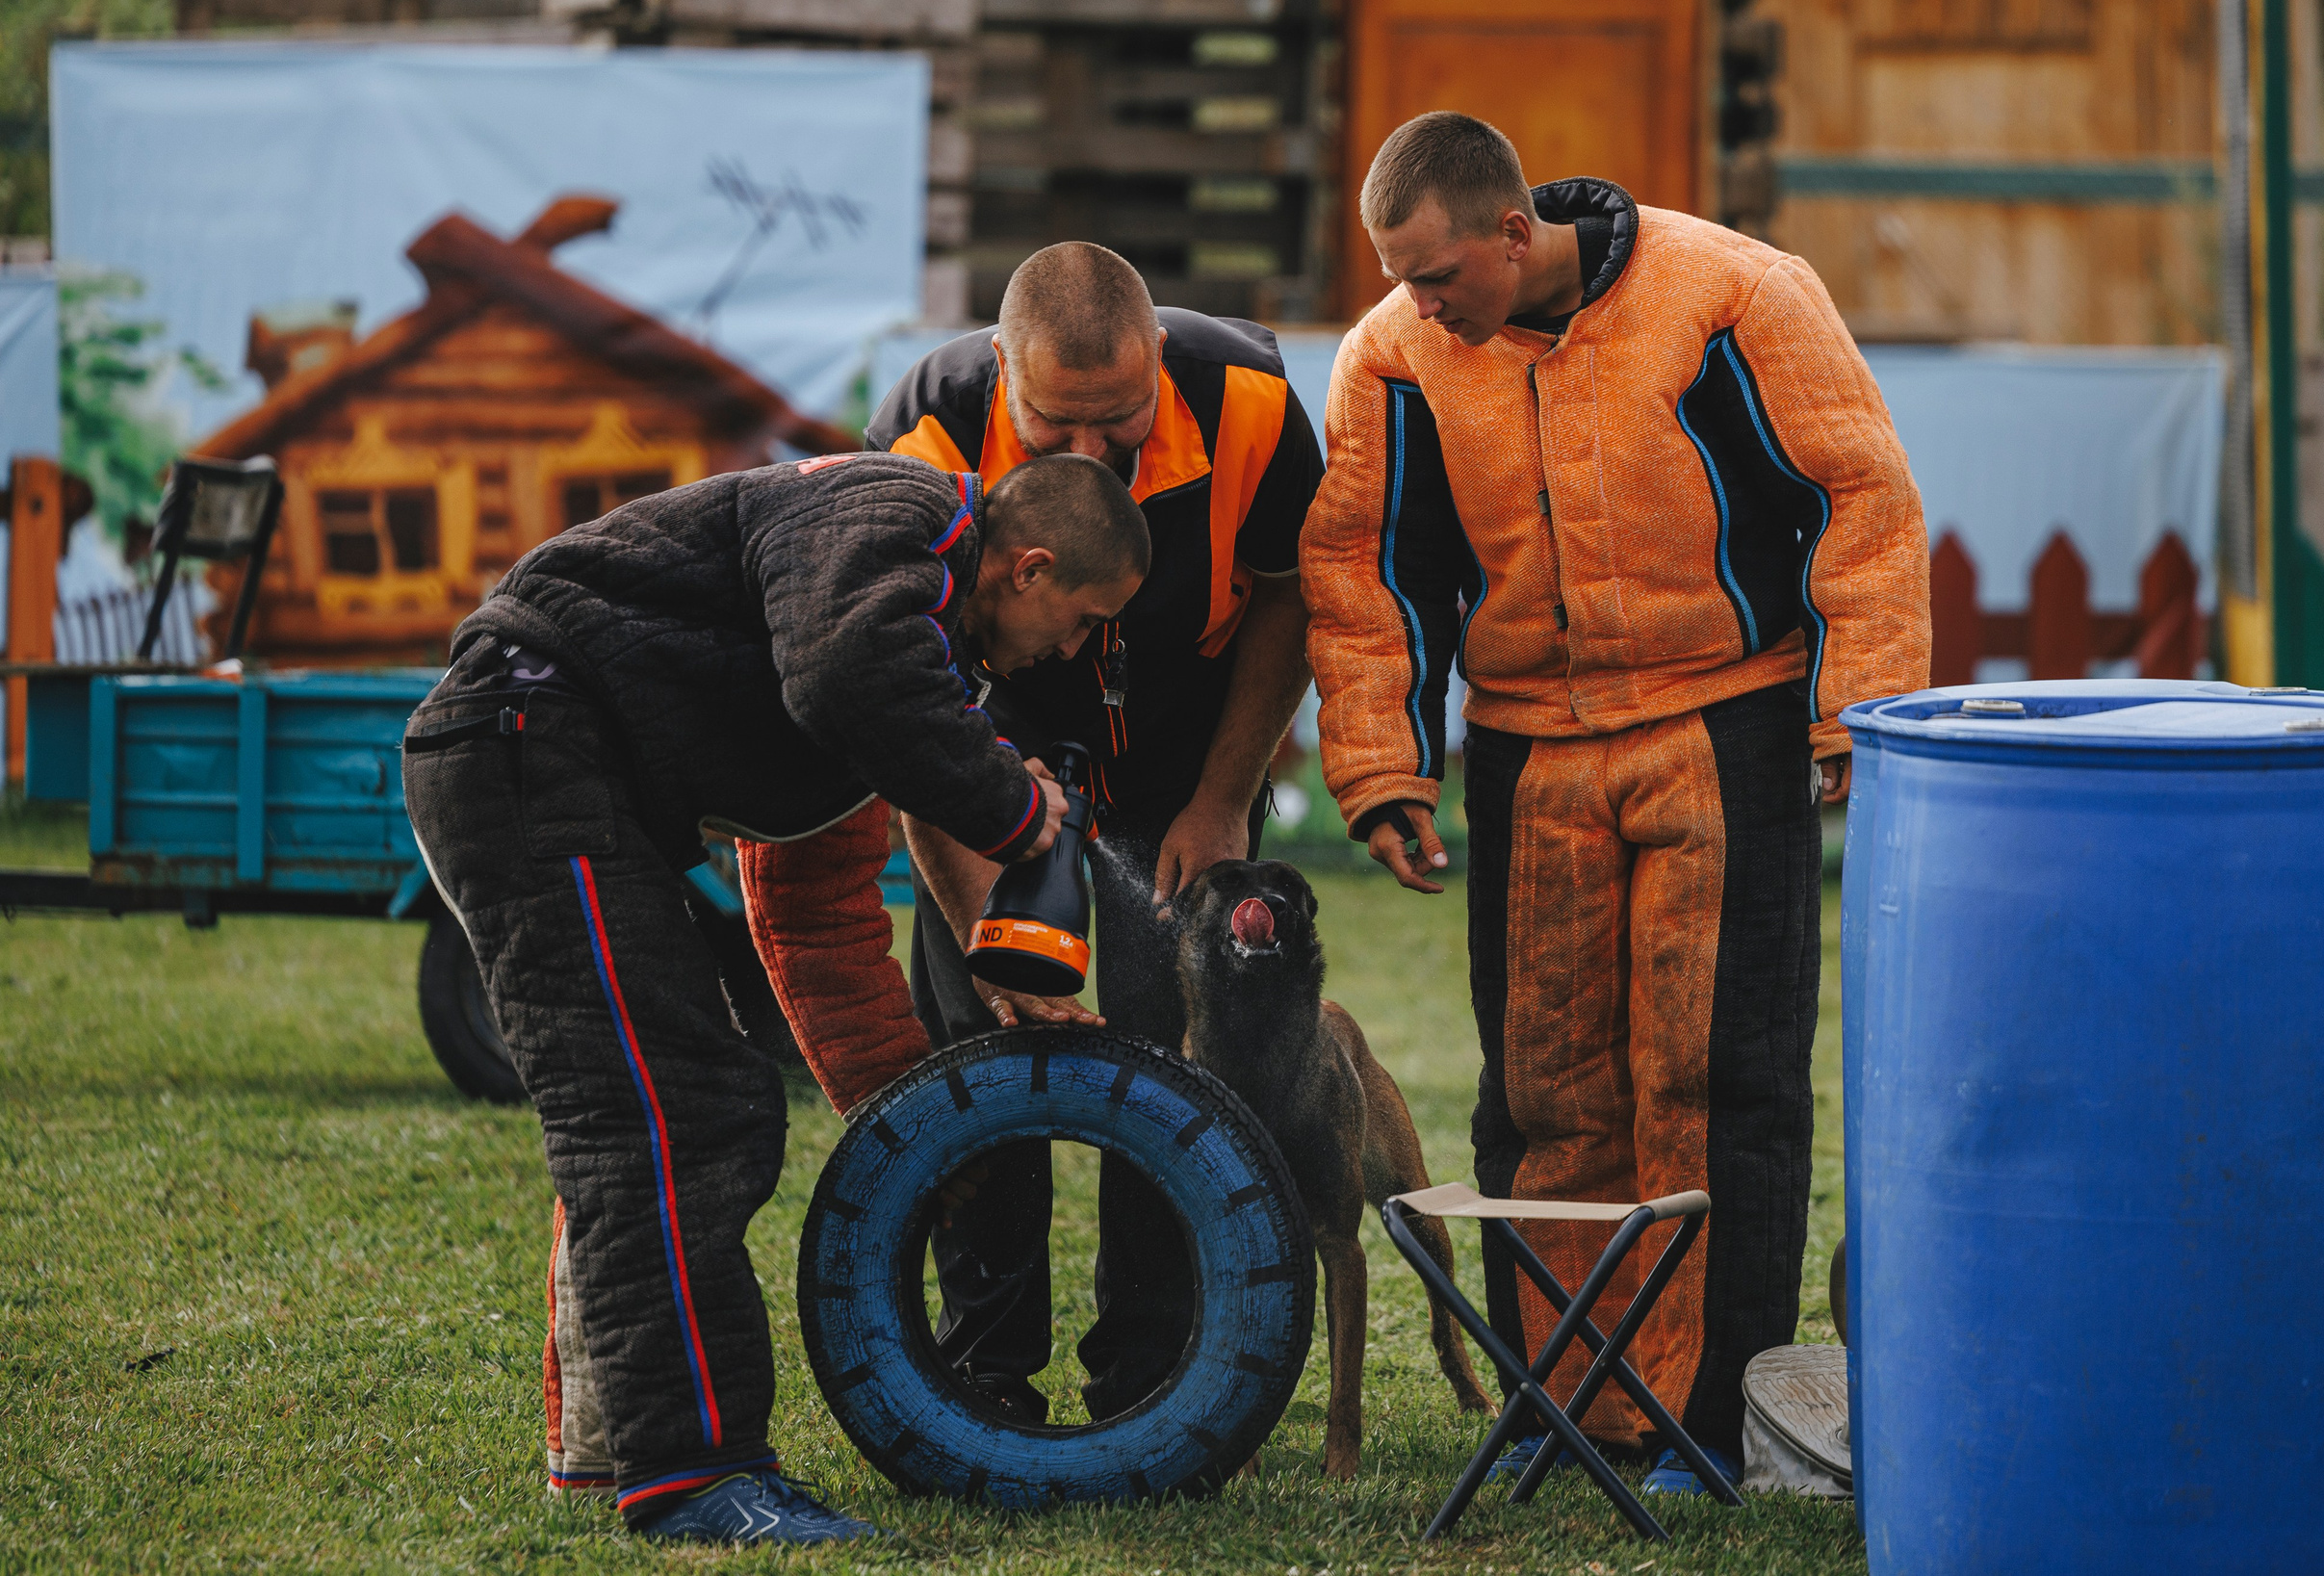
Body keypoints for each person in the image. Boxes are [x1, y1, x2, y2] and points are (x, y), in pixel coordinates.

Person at [1301, 113, 1929, 1491]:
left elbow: (1862, 498)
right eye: (1399, 279)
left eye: (1434, 274)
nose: (1414, 302)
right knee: (1543, 1093)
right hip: (1527, 752)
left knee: (1710, 1084)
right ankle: (1565, 1404)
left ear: (1513, 233)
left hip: (1727, 721)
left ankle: (1706, 1423)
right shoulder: (1395, 357)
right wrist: (1382, 766)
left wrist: (1852, 710)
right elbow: (1367, 575)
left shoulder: (1736, 297)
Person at [401, 449, 1149, 1543]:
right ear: (1028, 569)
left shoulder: (879, 659)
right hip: (526, 744)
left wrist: (910, 1133)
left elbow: (815, 924)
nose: (1072, 652)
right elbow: (849, 668)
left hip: (555, 767)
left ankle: (614, 1451)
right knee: (668, 1117)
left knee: (677, 1106)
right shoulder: (906, 516)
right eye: (1082, 621)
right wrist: (1011, 809)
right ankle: (696, 1479)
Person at [743, 242, 1322, 1426]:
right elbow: (902, 698)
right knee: (983, 1028)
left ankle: (1153, 1374)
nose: (1090, 455)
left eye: (1121, 421)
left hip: (1184, 750)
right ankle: (984, 1368)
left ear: (1159, 354)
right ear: (1002, 363)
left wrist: (1223, 796)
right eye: (1056, 426)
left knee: (1176, 1042)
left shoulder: (1252, 398)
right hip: (991, 748)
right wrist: (970, 910)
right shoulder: (928, 426)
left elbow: (1287, 598)